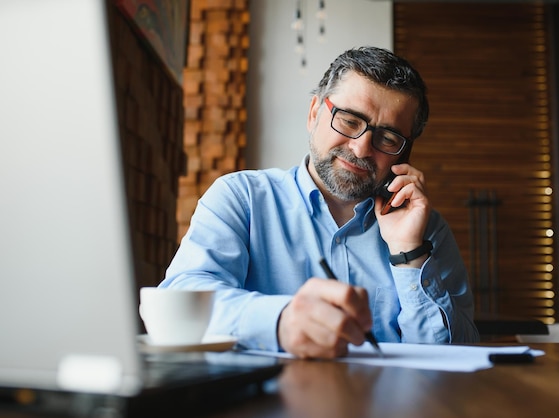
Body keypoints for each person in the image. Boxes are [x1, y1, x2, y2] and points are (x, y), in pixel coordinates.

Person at [160, 46, 479, 358]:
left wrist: (409, 253)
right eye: (350, 121)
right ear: (314, 112)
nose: (361, 148)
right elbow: (180, 300)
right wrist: (281, 320)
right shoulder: (241, 197)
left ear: (404, 151)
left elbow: (455, 356)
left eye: (388, 137)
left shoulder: (427, 229)